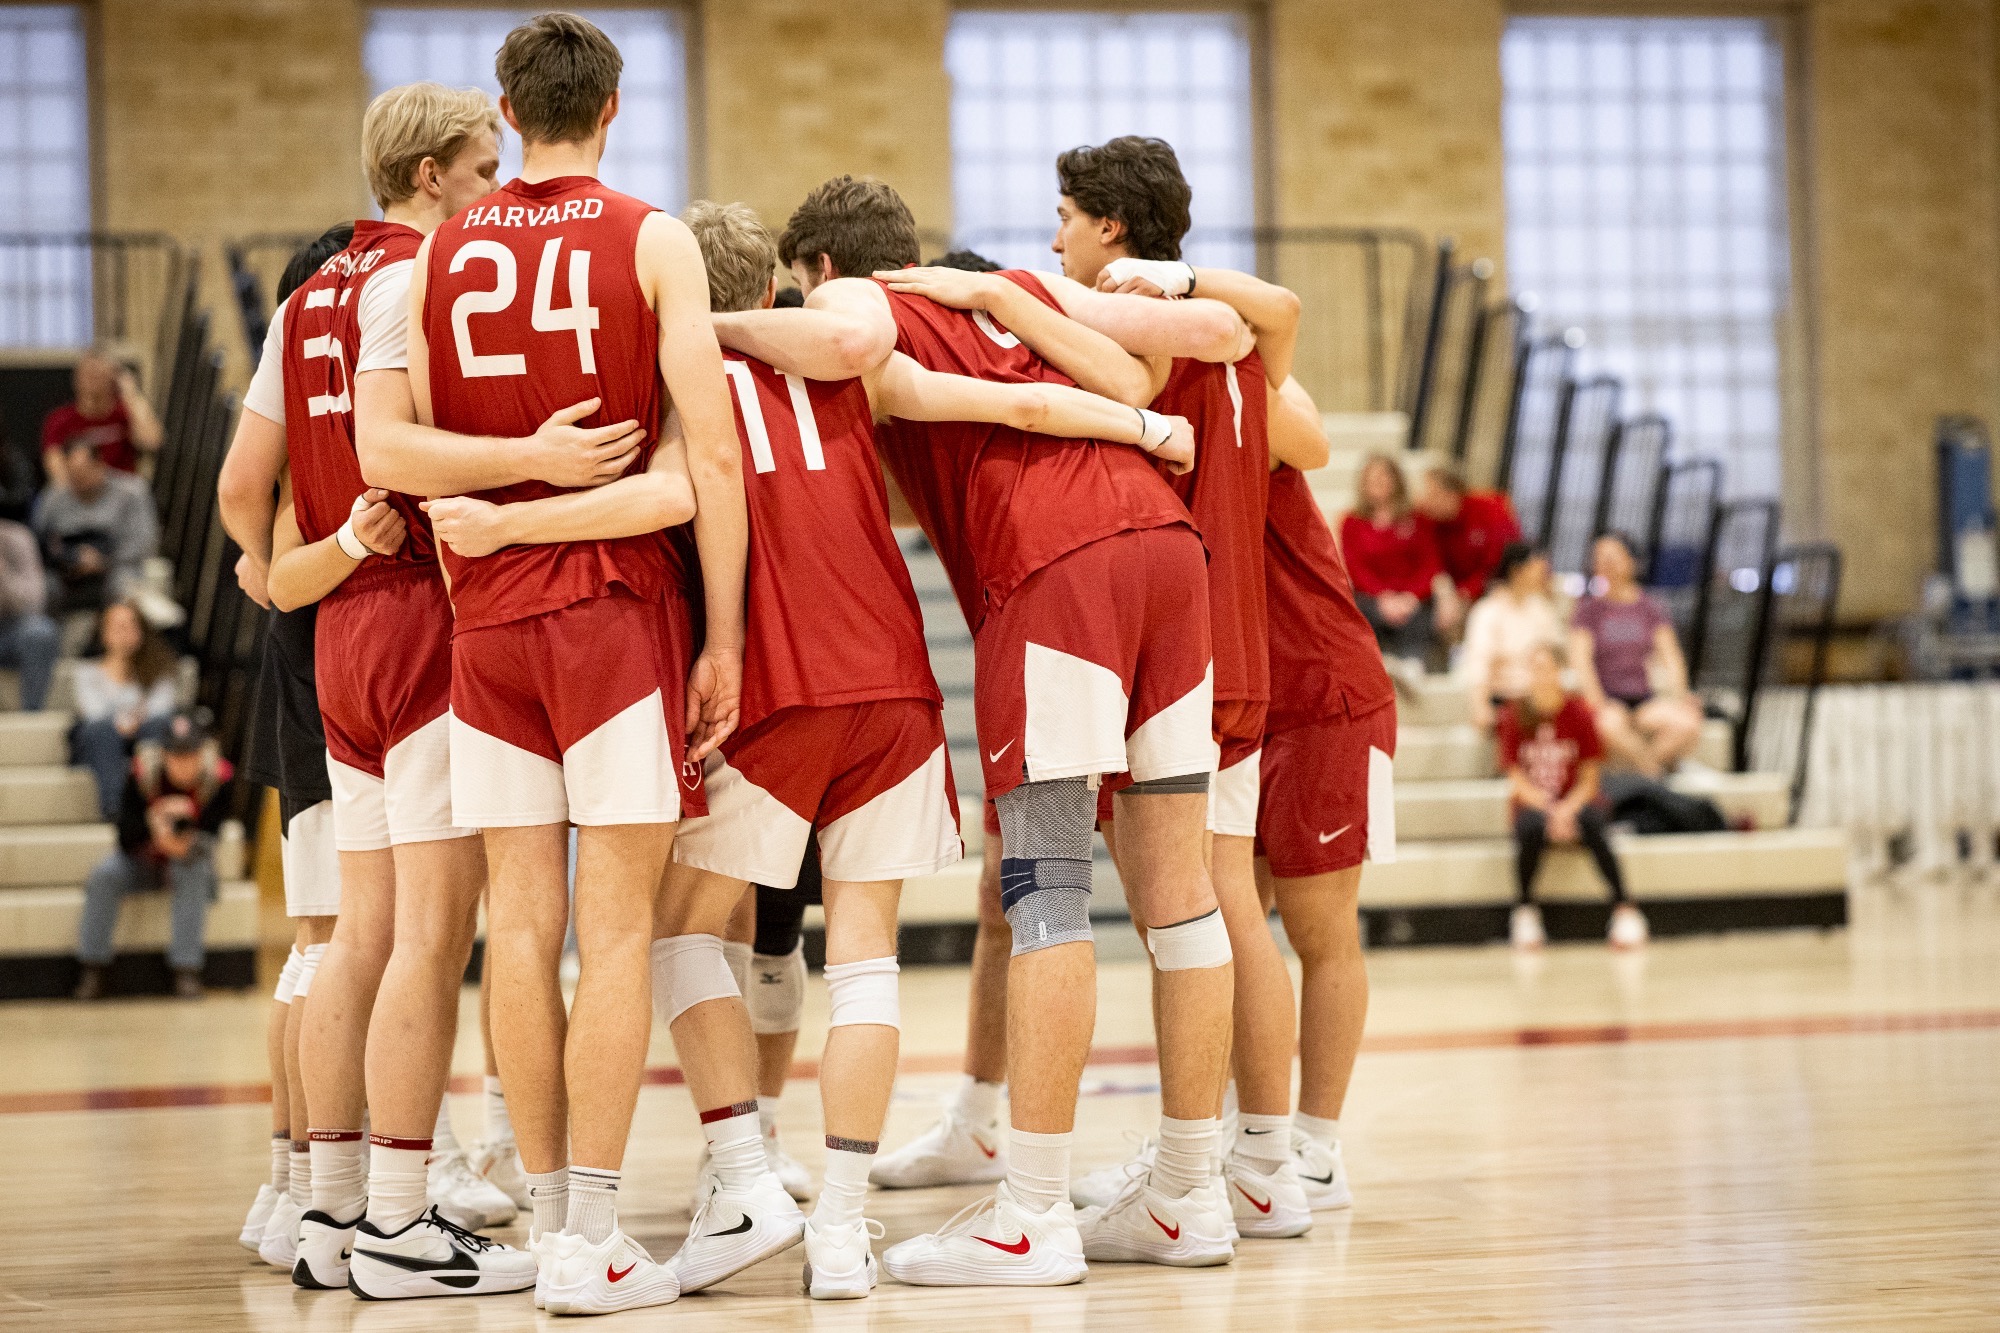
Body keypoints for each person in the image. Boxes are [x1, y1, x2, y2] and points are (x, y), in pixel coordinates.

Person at [734, 173, 1236, 1285]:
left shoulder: (856, 304)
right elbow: (1143, 370)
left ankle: (1032, 1212)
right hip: (1167, 548)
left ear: (820, 269)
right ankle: (1188, 1195)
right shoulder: (1014, 293)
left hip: (1058, 572)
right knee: (1181, 895)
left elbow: (858, 348)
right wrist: (1140, 422)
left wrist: (702, 321)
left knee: (1046, 893)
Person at [362, 15, 749, 1313]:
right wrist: (726, 636)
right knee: (617, 932)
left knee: (517, 933)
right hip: (611, 612)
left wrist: (498, 511)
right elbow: (711, 461)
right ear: (614, 107)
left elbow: (408, 455)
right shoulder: (653, 236)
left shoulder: (437, 251)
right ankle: (591, 1233)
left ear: (509, 111)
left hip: (486, 627)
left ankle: (541, 1221)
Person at [973, 133, 1313, 1242]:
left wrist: (1001, 301)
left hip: (1179, 648)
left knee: (1203, 911)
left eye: (1066, 218)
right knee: (1221, 908)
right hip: (1230, 639)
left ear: (1110, 227)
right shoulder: (1236, 336)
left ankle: (1237, 1169)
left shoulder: (1137, 322)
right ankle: (1239, 1161)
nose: (1055, 239)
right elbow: (1301, 424)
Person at [253, 83, 531, 1298]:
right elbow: (402, 449)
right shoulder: (421, 278)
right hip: (423, 620)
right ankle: (404, 1220)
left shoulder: (303, 295)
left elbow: (241, 486)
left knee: (353, 937)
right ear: (430, 176)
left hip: (339, 631)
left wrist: (304, 556)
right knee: (429, 936)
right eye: (482, 167)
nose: (493, 188)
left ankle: (328, 1210)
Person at [219, 223, 355, 1269]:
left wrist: (262, 563)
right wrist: (273, 565)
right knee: (329, 945)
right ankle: (308, 1186)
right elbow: (245, 501)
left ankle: (290, 1178)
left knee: (317, 945)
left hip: (302, 670)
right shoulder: (322, 423)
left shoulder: (297, 409)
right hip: (323, 676)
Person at [1254, 375, 1397, 1214]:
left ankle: (1316, 1146)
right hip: (1237, 704)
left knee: (1320, 930)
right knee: (1225, 931)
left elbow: (1307, 426)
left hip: (1324, 695)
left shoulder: (1247, 390)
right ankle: (1242, 1133)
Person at [71, 709, 232, 1000]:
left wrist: (187, 840)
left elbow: (214, 835)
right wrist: (154, 825)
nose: (183, 764)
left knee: (193, 869)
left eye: (190, 755)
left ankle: (186, 971)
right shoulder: (141, 774)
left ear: (202, 754)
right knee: (104, 875)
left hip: (189, 863)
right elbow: (124, 836)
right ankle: (93, 968)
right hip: (143, 860)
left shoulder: (217, 778)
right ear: (164, 754)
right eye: (176, 756)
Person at [1498, 641, 1648, 950]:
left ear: (1559, 672)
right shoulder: (1514, 714)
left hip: (1575, 799)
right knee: (1530, 828)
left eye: (1545, 668)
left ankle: (1624, 908)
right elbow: (1516, 778)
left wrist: (1567, 810)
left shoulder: (1579, 713)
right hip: (1535, 802)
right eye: (1534, 669)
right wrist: (1550, 810)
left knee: (1594, 823)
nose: (1539, 675)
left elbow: (1590, 779)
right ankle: (1525, 910)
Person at [1570, 531, 1706, 778]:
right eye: (1600, 558)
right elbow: (1581, 662)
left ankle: (1642, 774)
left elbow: (1671, 657)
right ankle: (1651, 773)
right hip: (1607, 698)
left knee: (1688, 723)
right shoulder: (1588, 611)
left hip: (1643, 698)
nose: (1606, 564)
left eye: (1612, 557)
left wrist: (1680, 695)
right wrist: (1597, 702)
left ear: (1631, 561)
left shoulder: (1651, 607)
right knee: (1605, 725)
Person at [1340, 454, 1455, 666]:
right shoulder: (1352, 522)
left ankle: (1412, 667)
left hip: (1413, 599)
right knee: (1361, 613)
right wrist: (1383, 597)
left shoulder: (1417, 518)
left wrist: (1411, 596)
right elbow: (1355, 568)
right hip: (1372, 598)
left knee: (1421, 617)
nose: (1379, 482)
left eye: (1384, 476)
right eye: (1373, 478)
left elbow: (1430, 564)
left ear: (1396, 480)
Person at [68, 600, 178, 818]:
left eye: (131, 626)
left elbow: (162, 708)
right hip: (102, 742)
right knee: (100, 729)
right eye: (118, 626)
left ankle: (156, 805)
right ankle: (115, 809)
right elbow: (93, 713)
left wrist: (128, 722)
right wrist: (130, 720)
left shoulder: (158, 668)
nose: (125, 632)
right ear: (103, 632)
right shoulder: (86, 672)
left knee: (161, 725)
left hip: (143, 737)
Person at [32, 436, 158, 615]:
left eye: (83, 473)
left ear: (100, 465)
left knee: (126, 584)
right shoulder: (53, 497)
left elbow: (145, 541)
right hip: (66, 571)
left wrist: (104, 561)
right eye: (73, 475)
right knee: (42, 587)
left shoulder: (133, 491)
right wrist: (67, 559)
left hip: (117, 566)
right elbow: (36, 541)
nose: (79, 480)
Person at [1458, 541, 1566, 730]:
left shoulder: (1542, 608)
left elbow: (1558, 655)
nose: (1544, 575)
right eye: (1537, 568)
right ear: (1517, 571)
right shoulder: (1488, 611)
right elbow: (1478, 665)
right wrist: (1480, 705)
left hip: (1543, 698)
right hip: (1505, 700)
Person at [39, 348, 164, 488]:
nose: (92, 380)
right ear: (76, 379)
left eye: (98, 375)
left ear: (113, 378)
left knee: (139, 489)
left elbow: (152, 441)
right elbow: (55, 467)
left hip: (122, 490)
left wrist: (131, 393)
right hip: (78, 490)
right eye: (87, 374)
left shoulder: (125, 413)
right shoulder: (60, 419)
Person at [1415, 463, 1520, 603]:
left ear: (1451, 494)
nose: (1425, 503)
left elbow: (1499, 560)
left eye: (1432, 496)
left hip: (1492, 588)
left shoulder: (1489, 509)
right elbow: (1429, 563)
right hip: (1447, 593)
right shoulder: (1424, 518)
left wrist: (1467, 591)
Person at [0, 517, 60, 711]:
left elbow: (34, 603)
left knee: (40, 632)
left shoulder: (17, 537)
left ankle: (31, 715)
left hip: (10, 630)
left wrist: (3, 574)